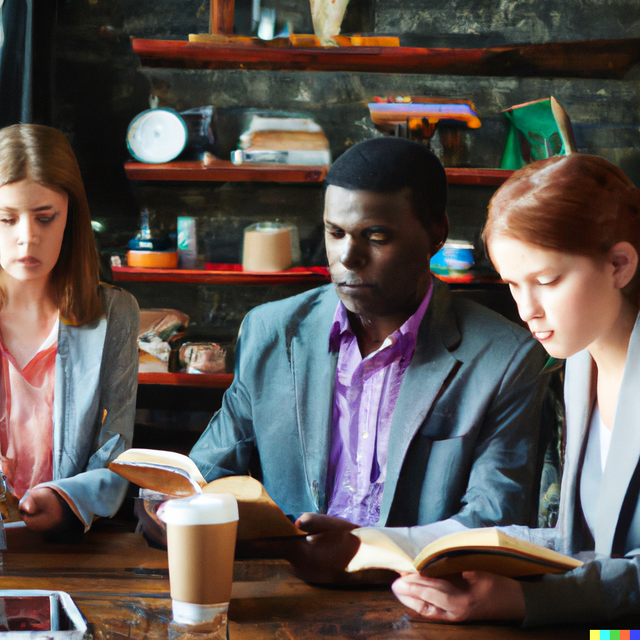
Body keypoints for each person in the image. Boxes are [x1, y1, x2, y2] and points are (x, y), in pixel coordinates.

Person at [189, 137, 549, 581]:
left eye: (376, 237)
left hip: (423, 600)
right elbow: (201, 477)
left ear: (436, 234)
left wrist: (371, 552)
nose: (347, 258)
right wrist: (171, 509)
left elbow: (495, 520)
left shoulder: (505, 358)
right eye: (334, 232)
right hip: (285, 591)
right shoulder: (272, 332)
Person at [392, 153, 640, 626]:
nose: (527, 310)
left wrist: (529, 601)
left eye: (546, 281)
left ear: (619, 264)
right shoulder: (581, 364)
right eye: (512, 284)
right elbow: (582, 544)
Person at [0, 123, 139, 536]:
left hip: (72, 545)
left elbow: (117, 449)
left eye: (45, 218)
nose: (28, 239)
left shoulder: (114, 313)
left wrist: (67, 499)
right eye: (6, 219)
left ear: (71, 217)